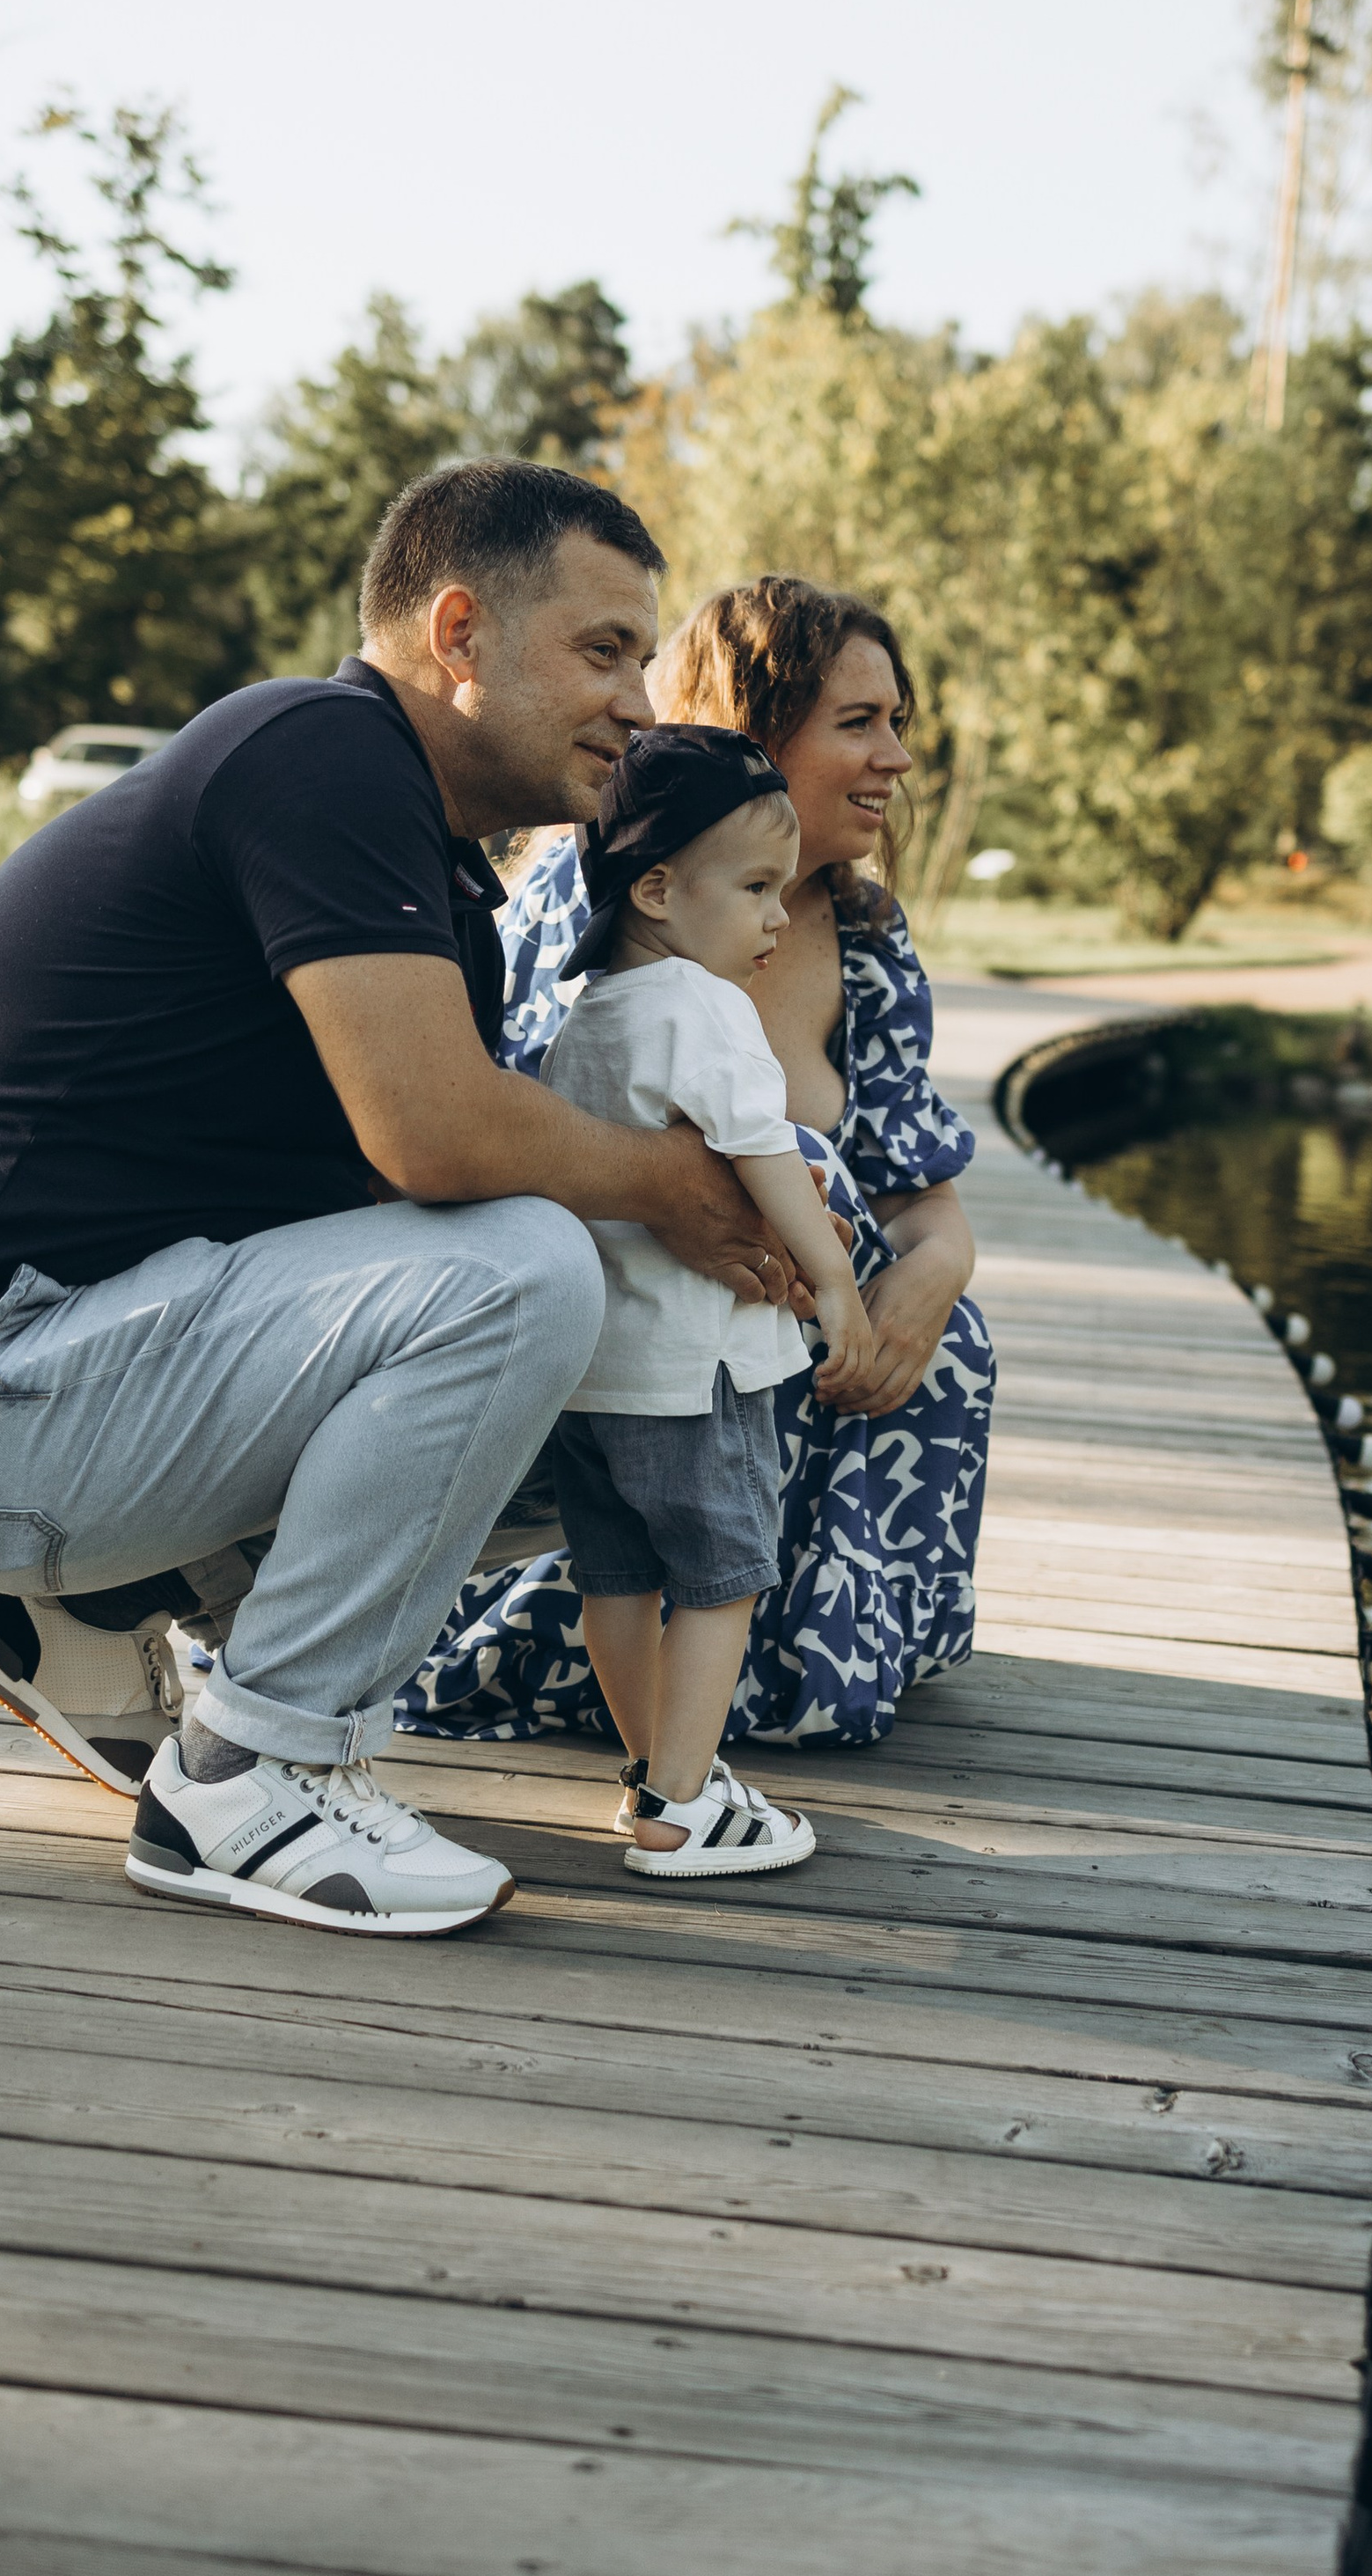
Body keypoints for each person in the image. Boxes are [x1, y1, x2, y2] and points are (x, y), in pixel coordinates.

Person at [0, 461, 803, 1938]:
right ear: (459, 635)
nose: (643, 708)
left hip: (45, 1380)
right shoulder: (324, 754)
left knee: (618, 1391)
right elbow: (435, 1139)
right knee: (530, 1272)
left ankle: (87, 1621)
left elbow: (379, 1207)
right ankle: (252, 1771)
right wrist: (674, 1185)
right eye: (604, 653)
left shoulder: (427, 860)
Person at [406, 573, 994, 1753]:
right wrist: (674, 1199)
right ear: (754, 733)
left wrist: (932, 1271)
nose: (897, 759)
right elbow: (504, 1130)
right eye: (860, 723)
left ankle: (812, 1643)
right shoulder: (594, 908)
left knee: (953, 1337)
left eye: (903, 725)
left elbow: (920, 1185)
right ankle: (658, 1715)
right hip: (631, 1348)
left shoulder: (872, 941)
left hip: (793, 1356)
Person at [532, 722, 872, 1875]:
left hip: (596, 1367)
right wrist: (834, 1282)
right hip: (698, 1367)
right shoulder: (706, 1006)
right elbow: (766, 1153)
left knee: (617, 1578)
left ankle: (654, 1771)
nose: (781, 916)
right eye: (757, 887)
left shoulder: (588, 1016)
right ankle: (680, 1803)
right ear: (661, 888)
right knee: (722, 1579)